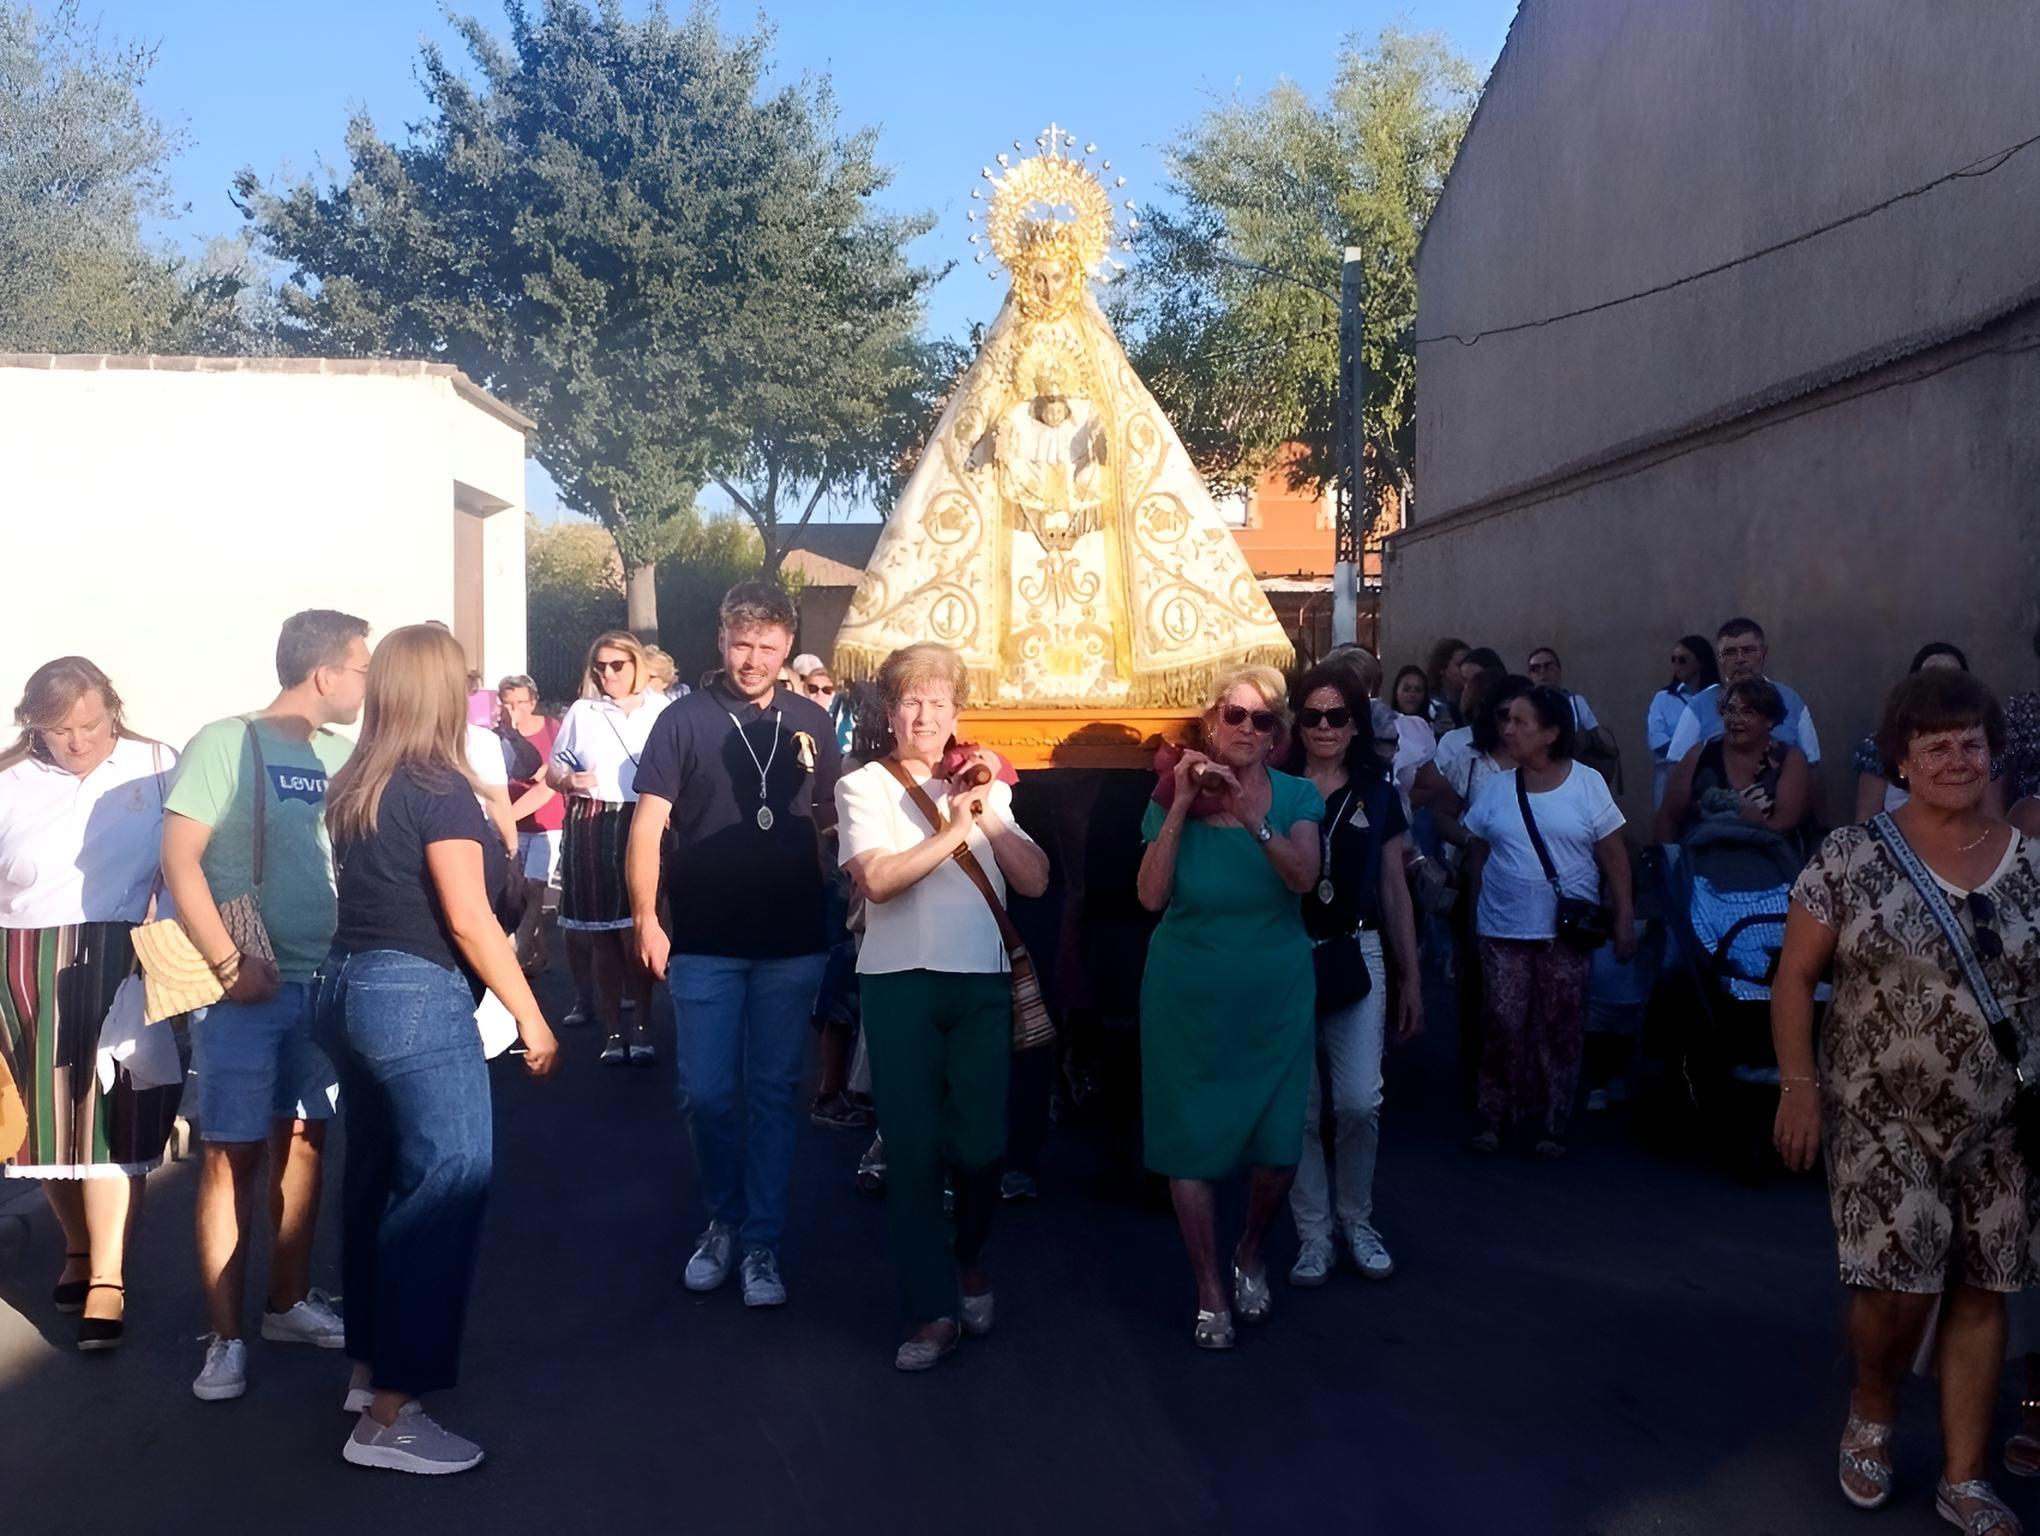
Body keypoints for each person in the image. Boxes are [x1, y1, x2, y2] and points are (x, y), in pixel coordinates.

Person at [1773, 669, 2034, 1535]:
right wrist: (1799, 1090)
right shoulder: (1850, 858)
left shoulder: (2032, 866)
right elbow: (1795, 979)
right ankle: (1874, 1402)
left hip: (2004, 1122)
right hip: (1879, 1115)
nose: (1956, 759)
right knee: (1898, 1284)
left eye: (1970, 743)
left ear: (1993, 753)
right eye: (1935, 746)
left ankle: (1965, 1479)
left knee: (1984, 1287)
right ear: (1903, 760)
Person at [317, 624, 559, 1475]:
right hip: (412, 995)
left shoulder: (361, 780)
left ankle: (369, 1367)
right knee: (445, 1187)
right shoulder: (438, 788)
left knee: (377, 1179)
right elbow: (468, 916)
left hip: (348, 986)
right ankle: (391, 1414)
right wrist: (531, 1015)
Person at [164, 608, 365, 1401]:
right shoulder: (225, 742)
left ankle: (285, 1303)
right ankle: (224, 1336)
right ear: (325, 674)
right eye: (361, 667)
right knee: (230, 1155)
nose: (365, 683)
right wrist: (226, 960)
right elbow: (179, 858)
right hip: (245, 989)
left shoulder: (344, 755)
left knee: (307, 1144)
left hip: (325, 982)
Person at [835, 642, 1049, 1369]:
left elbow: (1038, 878)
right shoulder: (864, 785)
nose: (924, 714)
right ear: (890, 712)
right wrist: (954, 830)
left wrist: (986, 817)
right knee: (915, 1152)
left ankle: (967, 1256)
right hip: (898, 983)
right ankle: (930, 1311)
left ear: (958, 711)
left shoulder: (987, 784)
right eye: (910, 700)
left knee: (984, 1145)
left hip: (980, 983)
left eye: (938, 701)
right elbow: (881, 881)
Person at [628, 581, 840, 1309]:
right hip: (706, 940)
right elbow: (647, 827)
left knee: (777, 1094)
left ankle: (761, 1244)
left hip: (791, 941)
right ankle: (723, 1216)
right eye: (742, 643)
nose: (753, 658)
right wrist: (646, 918)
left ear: (787, 647)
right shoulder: (681, 721)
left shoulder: (814, 719)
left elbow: (833, 825)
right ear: (721, 640)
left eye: (768, 645)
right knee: (707, 1093)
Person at [0, 658, 183, 1352]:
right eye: (58, 730)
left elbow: (187, 853)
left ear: (113, 708)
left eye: (90, 724)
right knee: (41, 1131)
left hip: (119, 952)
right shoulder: (7, 779)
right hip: (19, 961)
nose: (77, 742)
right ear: (33, 726)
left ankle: (108, 1277)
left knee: (110, 1120)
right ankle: (78, 1248)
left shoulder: (156, 763)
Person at [1136, 665, 1320, 1349]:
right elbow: (1151, 897)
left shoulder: (1298, 796)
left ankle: (1250, 1246)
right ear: (1212, 722)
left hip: (1273, 993)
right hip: (1186, 990)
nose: (1246, 729)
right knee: (1190, 1144)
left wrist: (1251, 816)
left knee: (1277, 1151)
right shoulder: (1166, 794)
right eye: (1233, 716)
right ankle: (1210, 1285)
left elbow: (1304, 877)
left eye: (1261, 719)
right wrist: (1182, 805)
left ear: (1277, 734)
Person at [1284, 665, 1423, 1286]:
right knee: (1300, 1108)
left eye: (1337, 716)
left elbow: (1395, 891)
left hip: (1356, 949)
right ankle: (1313, 1234)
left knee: (1360, 1100)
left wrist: (1412, 978)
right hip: (1286, 953)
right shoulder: (1278, 786)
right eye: (1311, 715)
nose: (1323, 727)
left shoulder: (1378, 792)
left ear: (1356, 723)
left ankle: (1356, 1219)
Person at [1462, 685, 1635, 1156]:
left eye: (1520, 721)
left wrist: (1623, 918)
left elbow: (1614, 855)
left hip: (1565, 933)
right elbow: (1477, 850)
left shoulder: (1586, 784)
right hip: (1502, 929)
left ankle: (1552, 1122)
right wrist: (1472, 913)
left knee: (1558, 1026)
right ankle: (1494, 1115)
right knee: (1501, 1023)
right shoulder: (1496, 787)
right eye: (1506, 720)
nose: (1508, 729)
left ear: (1551, 732)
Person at [548, 631, 668, 1065]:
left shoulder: (661, 708)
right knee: (602, 933)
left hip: (643, 817)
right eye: (600, 666)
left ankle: (642, 1024)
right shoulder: (583, 710)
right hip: (593, 819)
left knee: (637, 927)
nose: (608, 673)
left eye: (617, 664)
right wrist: (568, 781)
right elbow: (554, 771)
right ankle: (614, 1027)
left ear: (636, 664)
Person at [1656, 678, 1812, 848]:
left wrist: (1744, 830)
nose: (1736, 719)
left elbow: (1786, 821)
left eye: (1748, 712)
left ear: (1770, 720)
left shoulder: (1789, 758)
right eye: (1730, 710)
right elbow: (1669, 817)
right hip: (1704, 858)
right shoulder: (1699, 754)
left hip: (1769, 858)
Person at [1665, 617, 1820, 767]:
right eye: (1730, 652)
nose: (1740, 659)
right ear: (1720, 658)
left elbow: (1813, 763)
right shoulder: (1698, 706)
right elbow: (1676, 766)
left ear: (1764, 654)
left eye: (1749, 651)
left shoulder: (1790, 701)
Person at [1852, 643, 1974, 819]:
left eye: (1953, 679)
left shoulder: (1979, 747)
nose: (1942, 688)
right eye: (1931, 678)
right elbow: (1866, 818)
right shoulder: (1881, 746)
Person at [497, 675, 561, 975]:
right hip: (513, 820)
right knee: (516, 889)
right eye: (508, 703)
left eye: (521, 703)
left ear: (533, 702)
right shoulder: (496, 736)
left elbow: (560, 769)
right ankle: (541, 950)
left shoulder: (552, 728)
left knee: (535, 886)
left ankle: (518, 951)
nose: (515, 710)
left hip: (548, 821)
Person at [1647, 635, 1719, 807]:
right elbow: (1657, 739)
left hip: (1711, 778)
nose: (1676, 664)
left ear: (1700, 661)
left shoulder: (1718, 698)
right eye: (1673, 659)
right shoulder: (1663, 699)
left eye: (1683, 659)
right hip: (1671, 778)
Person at [1526, 647, 1617, 761]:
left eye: (1548, 666)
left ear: (1558, 671)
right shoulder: (1524, 707)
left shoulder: (1576, 702)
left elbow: (1597, 741)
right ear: (1529, 675)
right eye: (1535, 668)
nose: (1542, 672)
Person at [1425, 637, 1471, 730]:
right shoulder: (1429, 706)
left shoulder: (1472, 702)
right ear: (1442, 668)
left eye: (1469, 664)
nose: (1466, 670)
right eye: (1460, 665)